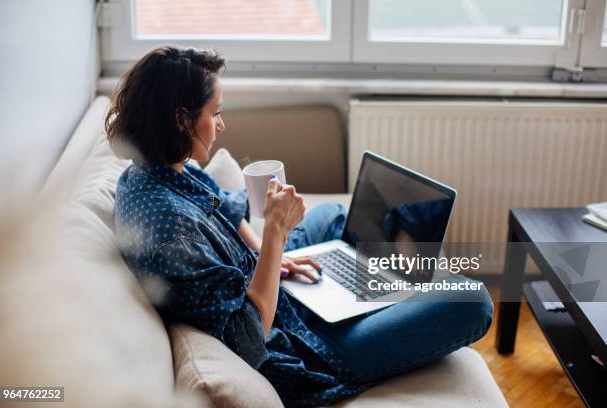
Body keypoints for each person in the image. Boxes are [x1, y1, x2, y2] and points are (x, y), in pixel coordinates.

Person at [107, 46, 493, 408]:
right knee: (472, 301)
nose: (221, 125)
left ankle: (372, 286)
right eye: (215, 112)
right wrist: (276, 233)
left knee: (328, 217)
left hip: (278, 296)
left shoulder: (155, 171)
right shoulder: (171, 229)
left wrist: (267, 257)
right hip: (305, 348)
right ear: (181, 119)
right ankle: (387, 297)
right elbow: (248, 336)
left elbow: (225, 209)